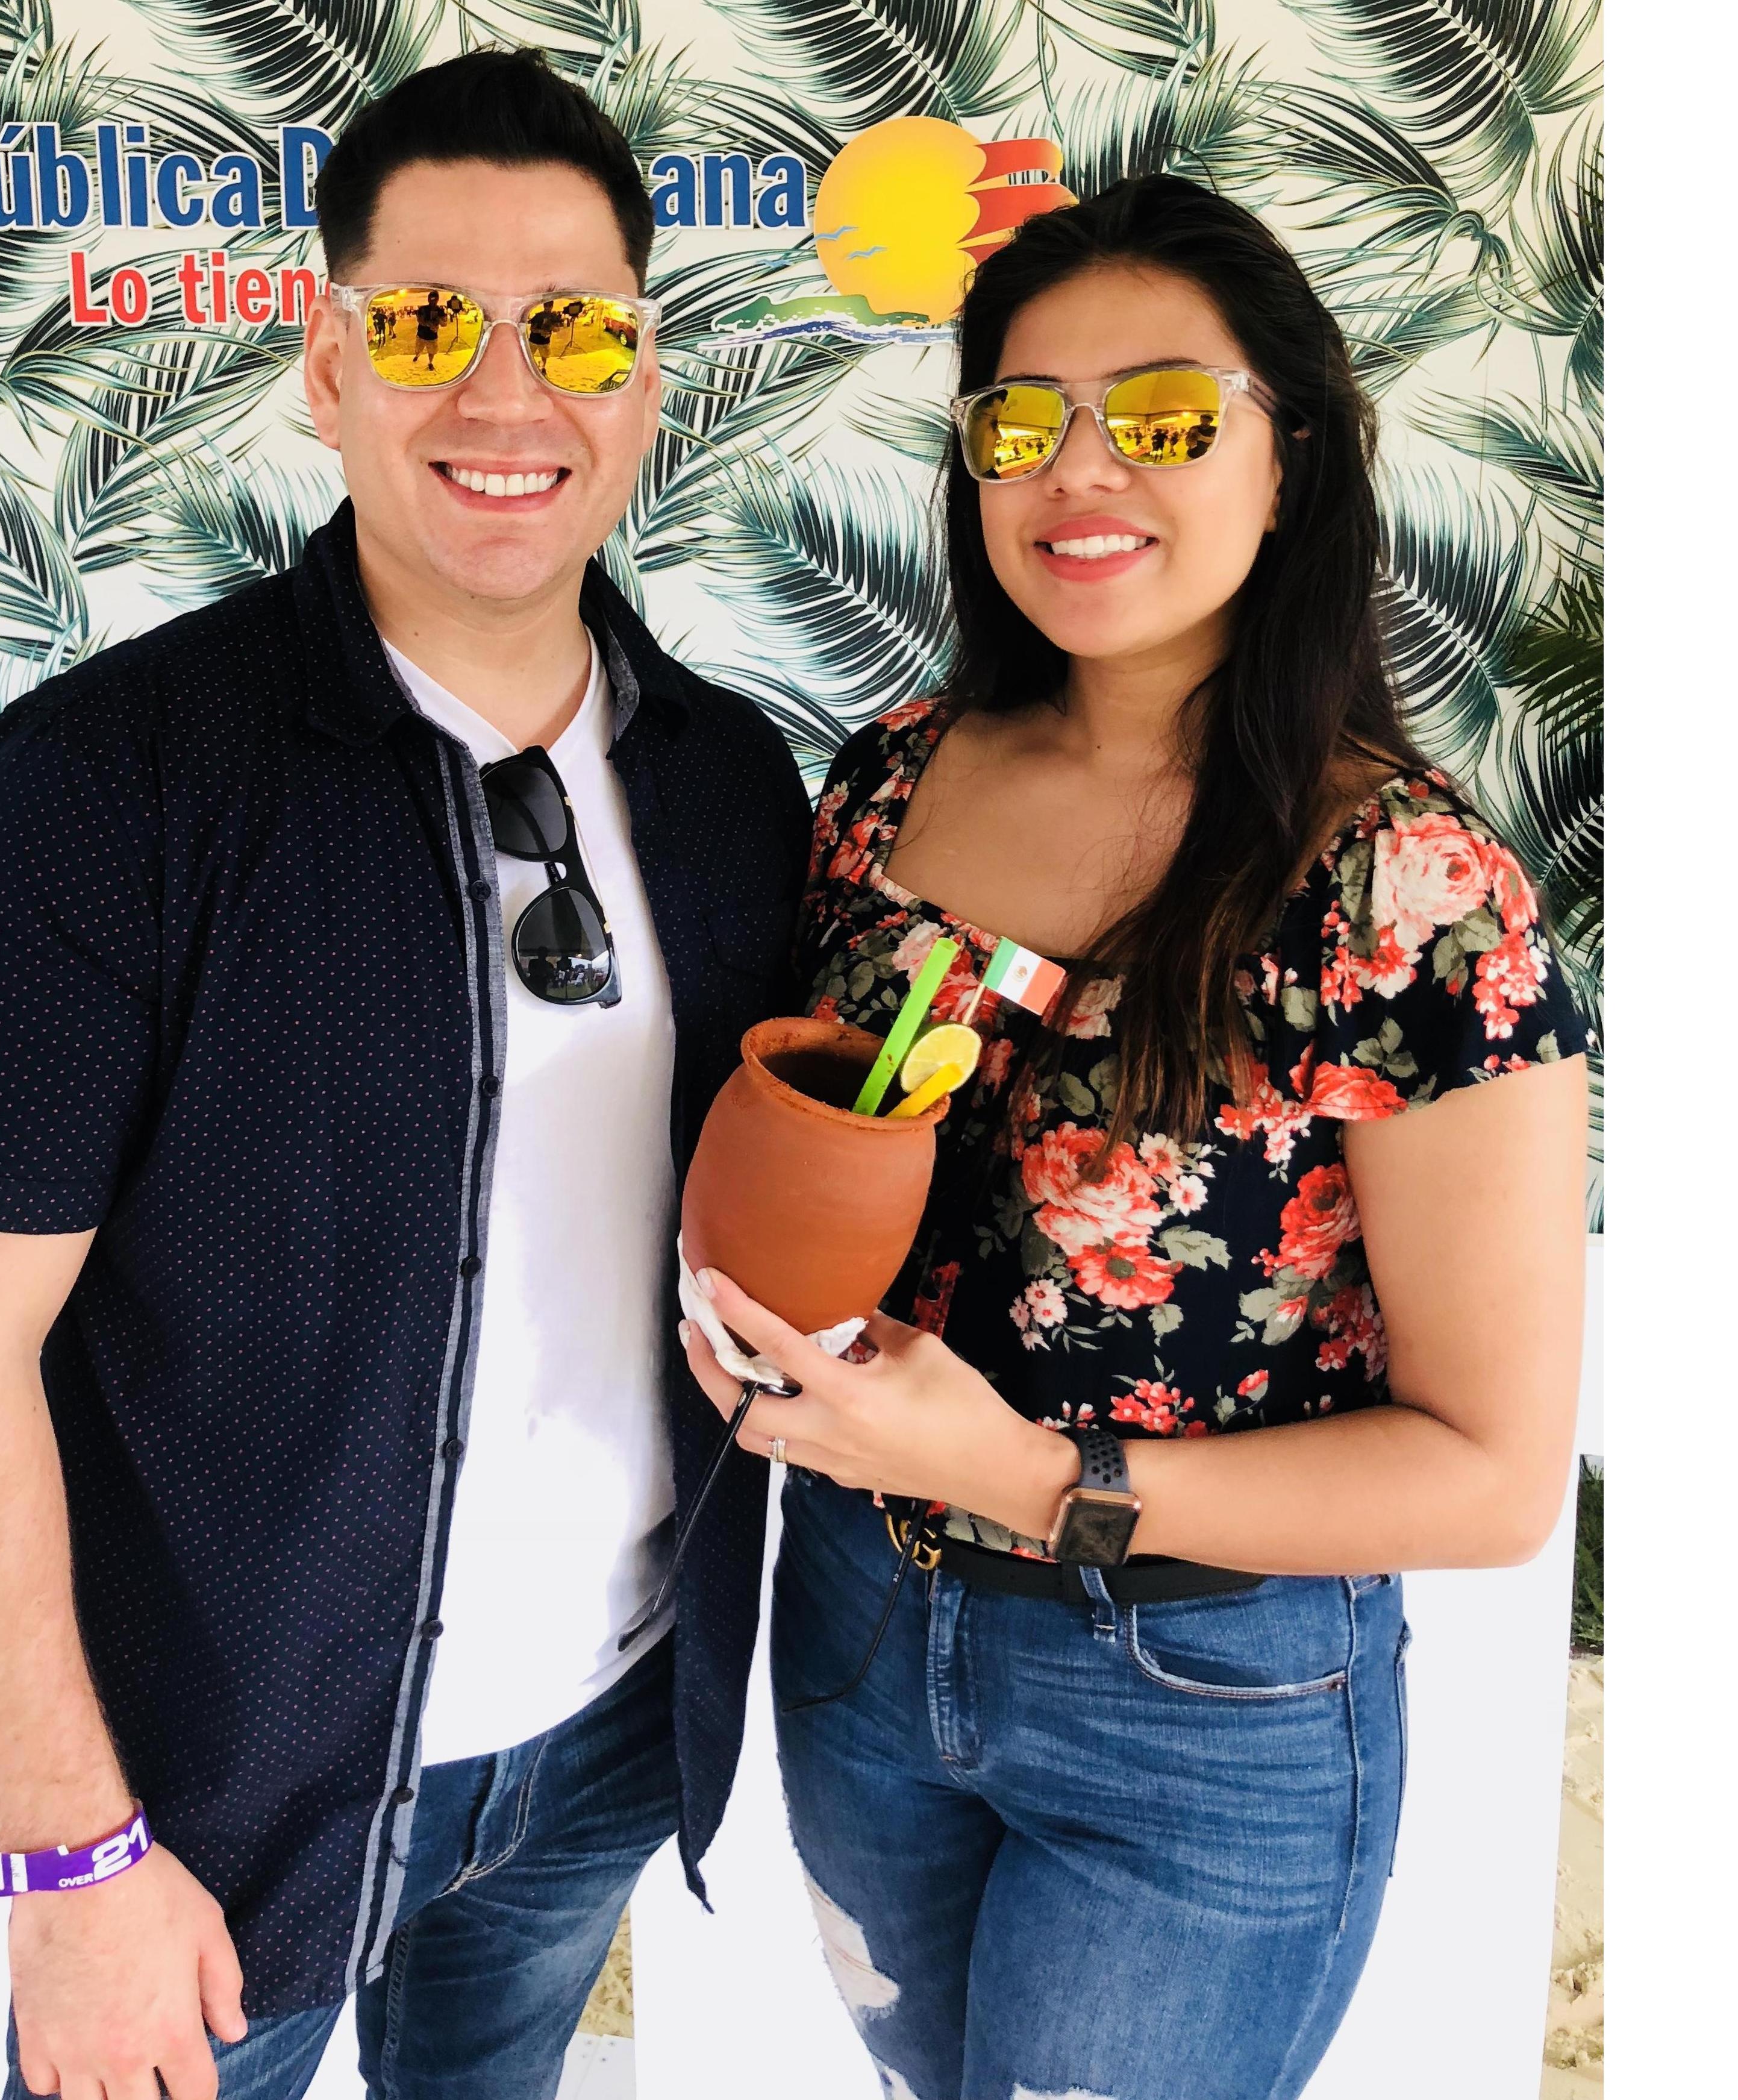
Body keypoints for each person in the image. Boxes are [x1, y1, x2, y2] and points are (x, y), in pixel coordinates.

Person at [0, 48, 808, 2100]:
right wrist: (69, 1856)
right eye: (433, 322)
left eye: (575, 330)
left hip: (604, 1735)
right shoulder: (101, 787)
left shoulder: (730, 780)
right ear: (328, 361)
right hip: (209, 1804)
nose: (508, 395)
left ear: (646, 375)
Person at [680, 174, 1589, 2100]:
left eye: (1165, 415)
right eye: (1019, 422)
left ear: (1294, 454)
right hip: (854, 1626)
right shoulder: (889, 784)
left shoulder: (1411, 892)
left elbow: (1493, 1481)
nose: (1079, 470)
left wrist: (1031, 1475)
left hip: (1200, 1703)